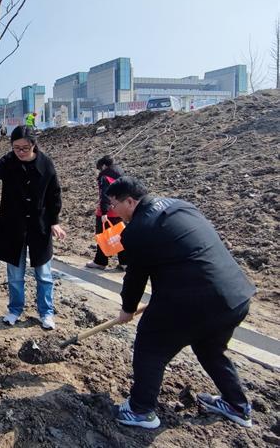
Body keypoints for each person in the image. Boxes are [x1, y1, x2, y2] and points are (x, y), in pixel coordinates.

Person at [108, 176, 256, 429]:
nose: (112, 211)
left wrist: (127, 309)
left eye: (114, 204)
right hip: (235, 296)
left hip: (195, 302)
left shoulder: (137, 230)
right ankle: (237, 405)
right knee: (209, 348)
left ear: (130, 201)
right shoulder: (179, 205)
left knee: (151, 345)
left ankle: (141, 409)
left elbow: (135, 277)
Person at [0, 125, 65, 330]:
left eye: (24, 148)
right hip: (13, 226)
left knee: (43, 274)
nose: (19, 152)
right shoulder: (9, 161)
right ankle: (15, 309)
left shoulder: (46, 164)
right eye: (16, 147)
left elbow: (55, 195)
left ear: (33, 145)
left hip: (39, 226)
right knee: (15, 275)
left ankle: (46, 312)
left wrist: (54, 221)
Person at [86, 155, 127, 271]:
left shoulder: (105, 177)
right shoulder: (120, 175)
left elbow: (104, 195)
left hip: (107, 212)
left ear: (104, 165)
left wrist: (104, 211)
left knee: (103, 237)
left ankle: (100, 262)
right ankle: (125, 262)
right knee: (120, 236)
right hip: (120, 210)